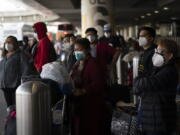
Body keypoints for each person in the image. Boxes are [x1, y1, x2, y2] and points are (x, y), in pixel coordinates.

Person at [134, 38, 179, 135]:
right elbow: (139, 87)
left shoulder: (169, 71)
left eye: (161, 51)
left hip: (159, 121)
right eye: (156, 50)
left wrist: (137, 82)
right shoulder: (158, 68)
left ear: (170, 55)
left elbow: (147, 83)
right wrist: (139, 83)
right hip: (151, 119)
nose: (157, 54)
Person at [70, 38, 105, 135]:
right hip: (79, 104)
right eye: (75, 50)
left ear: (87, 50)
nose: (77, 52)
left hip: (90, 105)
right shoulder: (76, 64)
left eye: (80, 50)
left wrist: (83, 91)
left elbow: (98, 83)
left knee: (89, 129)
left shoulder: (93, 64)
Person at [0, 36, 33, 107]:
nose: (7, 44)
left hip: (15, 86)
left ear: (14, 43)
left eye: (10, 42)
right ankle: (10, 117)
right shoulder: (5, 56)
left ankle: (15, 117)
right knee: (9, 106)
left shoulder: (20, 55)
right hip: (5, 86)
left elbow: (26, 70)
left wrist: (22, 83)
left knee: (16, 106)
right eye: (6, 42)